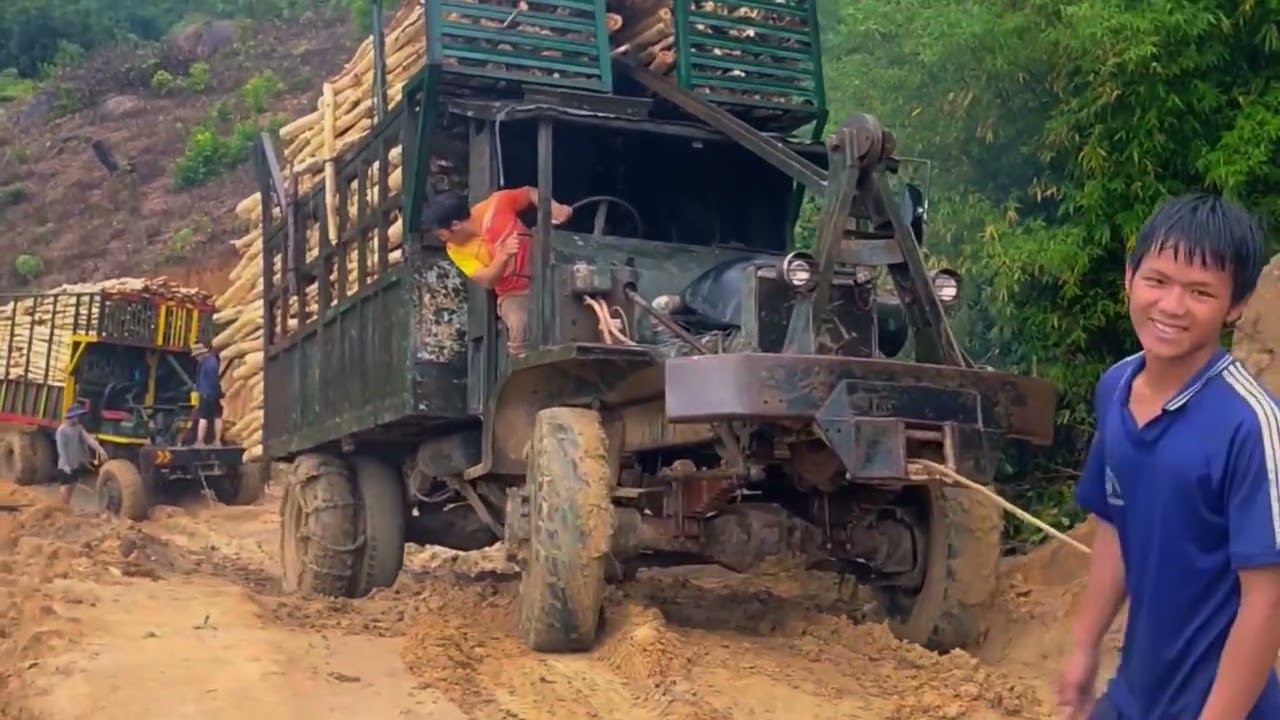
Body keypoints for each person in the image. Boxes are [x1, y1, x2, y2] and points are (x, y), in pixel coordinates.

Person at [1058, 193, 1279, 719]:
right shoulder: (1116, 387)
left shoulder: (1250, 425)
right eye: (1157, 280)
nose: (1172, 306)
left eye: (1201, 291)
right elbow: (1115, 522)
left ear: (1237, 305)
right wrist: (1085, 646)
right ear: (1129, 277)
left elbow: (1267, 599)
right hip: (1134, 695)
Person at [426, 187, 572, 355]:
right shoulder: (455, 250)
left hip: (551, 274)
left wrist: (555, 208)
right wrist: (503, 256)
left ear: (456, 225)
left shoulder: (497, 204)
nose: (443, 240)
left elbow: (529, 193)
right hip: (515, 294)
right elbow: (487, 280)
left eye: (442, 235)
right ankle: (525, 366)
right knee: (519, 323)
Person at [55, 405, 107, 506]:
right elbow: (61, 449)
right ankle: (62, 507)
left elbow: (89, 439)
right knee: (65, 486)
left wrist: (100, 450)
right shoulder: (62, 430)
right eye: (77, 416)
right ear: (72, 416)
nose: (79, 418)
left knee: (72, 485)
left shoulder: (79, 428)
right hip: (65, 464)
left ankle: (67, 505)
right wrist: (65, 465)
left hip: (75, 463)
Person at [193, 342, 223, 446]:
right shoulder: (212, 362)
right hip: (214, 394)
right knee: (217, 416)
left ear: (202, 354)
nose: (196, 358)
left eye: (197, 356)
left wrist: (206, 393)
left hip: (207, 394)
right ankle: (217, 441)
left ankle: (200, 441)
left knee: (203, 417)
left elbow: (212, 380)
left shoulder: (209, 364)